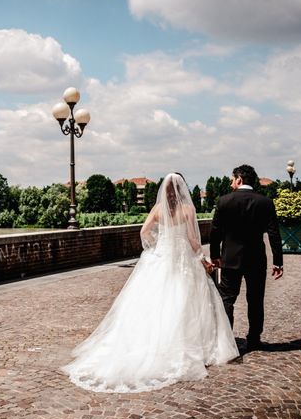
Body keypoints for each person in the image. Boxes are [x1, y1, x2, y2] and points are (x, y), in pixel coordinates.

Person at [62, 173, 239, 393]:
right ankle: (183, 344)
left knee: (154, 300)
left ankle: (150, 344)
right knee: (182, 300)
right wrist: (202, 259)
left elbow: (143, 231)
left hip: (161, 258)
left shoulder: (157, 210)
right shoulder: (188, 210)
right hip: (182, 259)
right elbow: (194, 241)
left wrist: (156, 246)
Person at [209, 164, 283, 352]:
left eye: (233, 179)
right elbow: (274, 233)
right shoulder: (265, 202)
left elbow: (215, 232)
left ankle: (226, 340)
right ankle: (254, 338)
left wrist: (215, 256)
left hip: (230, 259)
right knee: (256, 299)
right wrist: (278, 261)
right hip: (256, 259)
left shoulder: (224, 201)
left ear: (239, 179)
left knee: (227, 298)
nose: (231, 183)